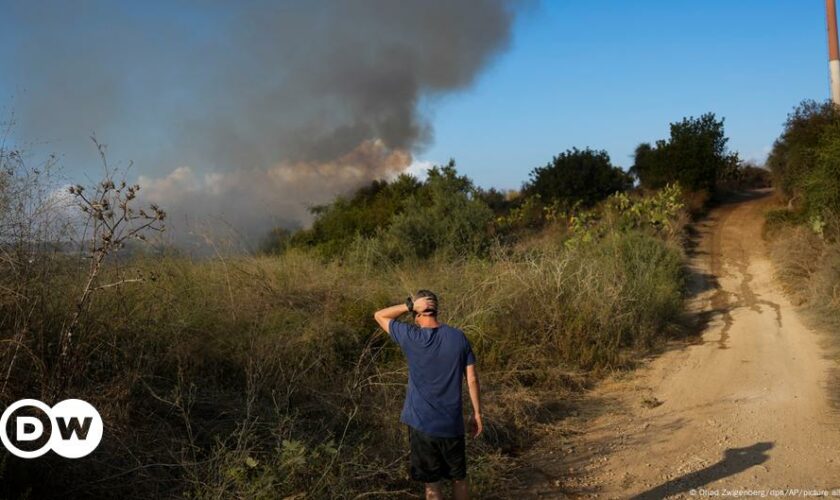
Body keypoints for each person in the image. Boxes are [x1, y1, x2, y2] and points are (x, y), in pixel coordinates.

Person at [373, 290, 482, 500]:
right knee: (458, 478)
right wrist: (477, 414)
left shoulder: (411, 336)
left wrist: (408, 306)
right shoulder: (458, 337)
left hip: (422, 425)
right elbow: (472, 379)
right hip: (452, 425)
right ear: (437, 310)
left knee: (432, 484)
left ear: (417, 313)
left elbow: (379, 315)